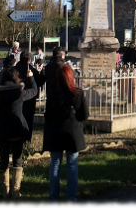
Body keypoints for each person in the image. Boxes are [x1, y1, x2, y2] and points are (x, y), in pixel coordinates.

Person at [0, 67, 38, 199]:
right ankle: (15, 191)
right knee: (17, 160)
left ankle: (5, 191)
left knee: (4, 160)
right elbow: (33, 91)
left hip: (2, 131)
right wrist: (31, 77)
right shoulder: (19, 93)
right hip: (17, 130)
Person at [43, 65, 89, 201]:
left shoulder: (53, 93)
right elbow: (84, 115)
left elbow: (48, 115)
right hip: (72, 133)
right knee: (72, 165)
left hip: (56, 131)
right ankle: (71, 197)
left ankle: (53, 197)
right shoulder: (78, 93)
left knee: (55, 164)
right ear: (71, 77)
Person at [15, 51, 44, 143]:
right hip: (29, 98)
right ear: (29, 59)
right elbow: (39, 82)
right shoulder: (31, 70)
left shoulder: (15, 69)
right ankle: (27, 140)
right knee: (28, 120)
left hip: (17, 98)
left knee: (17, 119)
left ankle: (17, 139)